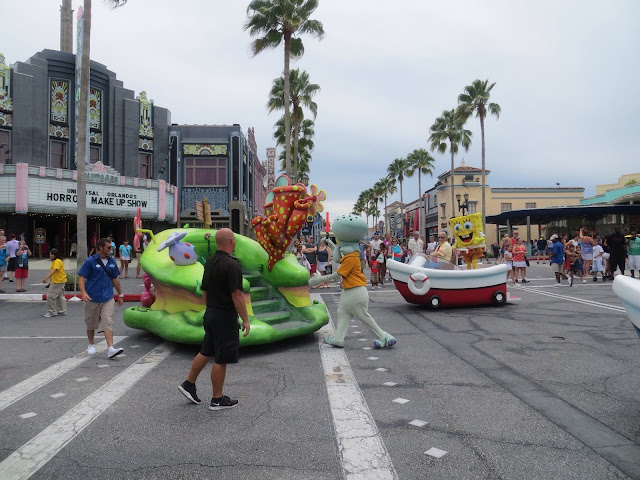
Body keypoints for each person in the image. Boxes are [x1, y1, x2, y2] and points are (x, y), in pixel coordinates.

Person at [178, 228, 250, 410]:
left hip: (211, 312)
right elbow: (237, 295)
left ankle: (189, 384)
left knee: (207, 350)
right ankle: (217, 398)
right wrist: (245, 319)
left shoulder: (210, 261)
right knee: (221, 357)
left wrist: (211, 308)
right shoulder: (232, 265)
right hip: (224, 315)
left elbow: (204, 290)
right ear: (232, 241)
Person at [78, 238, 124, 358]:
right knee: (91, 323)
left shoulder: (112, 261)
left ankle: (110, 349)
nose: (111, 250)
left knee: (107, 321)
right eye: (108, 248)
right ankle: (91, 344)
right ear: (100, 248)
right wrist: (83, 293)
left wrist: (120, 294)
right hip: (92, 297)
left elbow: (115, 279)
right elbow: (81, 277)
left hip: (107, 297)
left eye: (111, 247)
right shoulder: (90, 261)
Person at [42, 248, 67, 317]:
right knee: (60, 296)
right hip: (59, 280)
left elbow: (54, 270)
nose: (50, 255)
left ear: (55, 255)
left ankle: (51, 311)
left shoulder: (57, 261)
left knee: (50, 296)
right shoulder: (56, 261)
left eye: (52, 254)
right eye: (50, 254)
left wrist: (46, 277)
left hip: (57, 281)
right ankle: (62, 310)